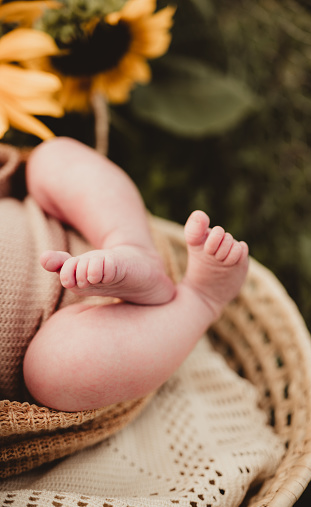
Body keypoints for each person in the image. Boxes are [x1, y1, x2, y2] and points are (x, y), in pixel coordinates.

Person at [22, 137, 249, 413]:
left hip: (51, 226)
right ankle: (200, 299)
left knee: (51, 158)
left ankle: (132, 245)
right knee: (56, 367)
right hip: (72, 330)